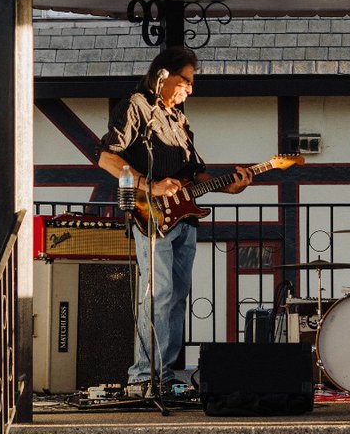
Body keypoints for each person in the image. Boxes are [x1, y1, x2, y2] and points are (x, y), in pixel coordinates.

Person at [98, 46, 253, 395]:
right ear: (163, 76)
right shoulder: (136, 106)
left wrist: (231, 187)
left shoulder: (179, 120)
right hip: (151, 216)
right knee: (159, 292)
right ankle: (143, 377)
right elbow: (107, 158)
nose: (190, 89)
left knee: (177, 295)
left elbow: (194, 177)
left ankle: (165, 375)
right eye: (186, 80)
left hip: (184, 219)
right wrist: (148, 185)